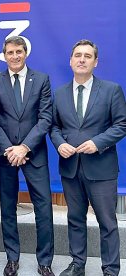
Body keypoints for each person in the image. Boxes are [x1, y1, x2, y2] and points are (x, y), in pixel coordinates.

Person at [50, 39, 126, 276]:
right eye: (78, 55)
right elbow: (54, 126)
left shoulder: (111, 90)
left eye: (87, 56)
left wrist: (97, 143)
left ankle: (111, 270)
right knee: (75, 219)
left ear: (95, 62)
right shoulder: (60, 93)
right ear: (71, 61)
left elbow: (121, 124)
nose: (82, 59)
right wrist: (60, 144)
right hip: (71, 168)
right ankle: (77, 265)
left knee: (107, 222)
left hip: (101, 169)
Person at [0, 36, 55, 276]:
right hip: (5, 155)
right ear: (4, 55)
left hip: (33, 153)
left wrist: (24, 147)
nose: (14, 56)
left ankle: (44, 261)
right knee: (7, 207)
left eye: (18, 51)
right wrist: (10, 148)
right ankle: (12, 259)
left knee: (44, 207)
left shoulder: (42, 80)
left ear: (26, 53)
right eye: (10, 52)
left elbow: (46, 118)